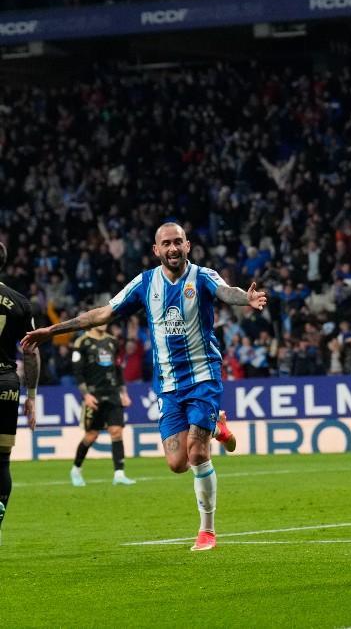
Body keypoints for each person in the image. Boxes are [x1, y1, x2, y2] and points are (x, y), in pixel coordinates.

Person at [21, 223, 258, 551]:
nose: (173, 248)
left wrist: (246, 298)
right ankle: (218, 426)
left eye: (178, 242)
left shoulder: (202, 276)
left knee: (198, 452)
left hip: (204, 376)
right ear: (156, 250)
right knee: (177, 464)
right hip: (168, 385)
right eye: (166, 244)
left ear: (188, 246)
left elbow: (226, 292)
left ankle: (207, 531)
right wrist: (53, 330)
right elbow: (103, 313)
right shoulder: (145, 284)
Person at [0, 242, 39, 546]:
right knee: (2, 461)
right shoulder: (20, 302)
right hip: (6, 385)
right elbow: (31, 354)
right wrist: (32, 396)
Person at [69, 323, 136, 487]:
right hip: (94, 395)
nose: (104, 322)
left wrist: (124, 393)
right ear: (92, 321)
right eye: (100, 319)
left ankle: (119, 473)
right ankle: (76, 469)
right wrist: (86, 395)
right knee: (91, 435)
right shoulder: (82, 342)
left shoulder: (113, 342)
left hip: (112, 393)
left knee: (116, 431)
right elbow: (78, 373)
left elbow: (118, 370)